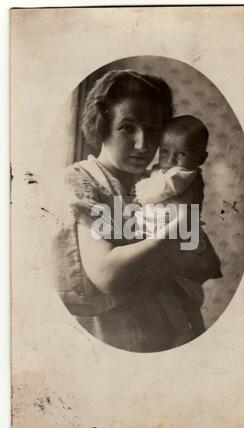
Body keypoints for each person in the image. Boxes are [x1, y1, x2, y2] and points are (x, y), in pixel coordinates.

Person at [52, 69, 222, 353]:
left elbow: (203, 265)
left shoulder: (157, 182)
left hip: (174, 337)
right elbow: (109, 275)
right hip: (114, 343)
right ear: (103, 125)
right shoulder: (80, 181)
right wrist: (176, 230)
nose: (143, 144)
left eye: (153, 130)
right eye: (127, 127)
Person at [133, 115, 216, 346]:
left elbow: (155, 192)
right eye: (165, 151)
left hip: (179, 238)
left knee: (164, 286)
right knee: (160, 288)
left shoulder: (183, 175)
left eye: (181, 154)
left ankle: (184, 329)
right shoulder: (165, 170)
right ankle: (182, 327)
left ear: (201, 158)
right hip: (167, 232)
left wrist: (139, 183)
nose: (170, 161)